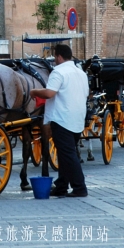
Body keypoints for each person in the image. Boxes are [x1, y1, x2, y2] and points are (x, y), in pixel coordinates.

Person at [29, 44, 89, 197]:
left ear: (59, 57)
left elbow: (49, 93)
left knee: (68, 155)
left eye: (55, 57)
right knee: (65, 154)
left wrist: (34, 91)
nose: (54, 60)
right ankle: (61, 186)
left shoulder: (58, 72)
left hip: (62, 119)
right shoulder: (81, 72)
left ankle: (80, 188)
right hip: (77, 118)